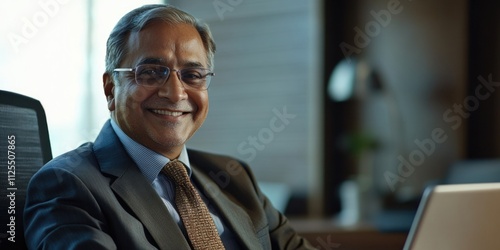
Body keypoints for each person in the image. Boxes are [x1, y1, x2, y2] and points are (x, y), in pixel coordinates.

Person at [23, 4, 315, 250]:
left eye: (192, 74)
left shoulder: (235, 177)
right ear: (111, 88)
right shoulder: (66, 185)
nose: (176, 93)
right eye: (150, 73)